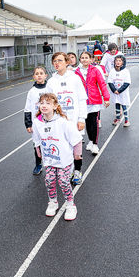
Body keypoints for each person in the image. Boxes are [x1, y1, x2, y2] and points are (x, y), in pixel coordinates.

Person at [31, 93, 82, 221]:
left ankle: (71, 205)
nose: (44, 105)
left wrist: (77, 155)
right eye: (42, 103)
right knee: (49, 180)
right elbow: (36, 139)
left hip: (64, 159)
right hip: (49, 159)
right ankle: (53, 202)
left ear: (55, 106)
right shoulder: (37, 122)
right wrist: (39, 152)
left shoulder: (63, 122)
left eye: (48, 103)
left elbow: (76, 140)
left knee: (64, 181)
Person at [45, 52, 87, 185]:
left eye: (60, 60)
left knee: (76, 149)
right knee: (63, 148)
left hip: (74, 119)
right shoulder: (51, 82)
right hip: (59, 122)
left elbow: (82, 99)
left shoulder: (75, 78)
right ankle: (68, 171)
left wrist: (81, 118)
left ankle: (77, 171)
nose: (57, 63)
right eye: (54, 61)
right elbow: (47, 102)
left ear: (67, 62)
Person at [75, 51, 111, 154]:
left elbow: (102, 84)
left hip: (94, 100)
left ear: (91, 59)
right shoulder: (76, 72)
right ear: (80, 60)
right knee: (87, 122)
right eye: (82, 58)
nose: (84, 59)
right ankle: (90, 140)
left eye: (87, 57)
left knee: (94, 122)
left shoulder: (95, 70)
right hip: (82, 102)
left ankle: (95, 144)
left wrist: (106, 98)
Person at [24, 65, 50, 175]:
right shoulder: (31, 92)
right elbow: (27, 108)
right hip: (37, 123)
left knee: (50, 142)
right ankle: (38, 164)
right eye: (37, 74)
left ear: (46, 75)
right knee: (37, 144)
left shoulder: (50, 88)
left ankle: (51, 164)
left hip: (50, 121)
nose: (39, 75)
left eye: (41, 73)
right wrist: (28, 124)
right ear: (33, 77)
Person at [107, 55, 131, 127]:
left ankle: (126, 120)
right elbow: (110, 82)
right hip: (115, 92)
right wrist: (114, 90)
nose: (118, 62)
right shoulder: (112, 71)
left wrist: (119, 90)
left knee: (124, 105)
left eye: (119, 61)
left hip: (123, 92)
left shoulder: (126, 71)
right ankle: (117, 119)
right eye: (116, 61)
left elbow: (127, 82)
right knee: (117, 104)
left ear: (123, 62)